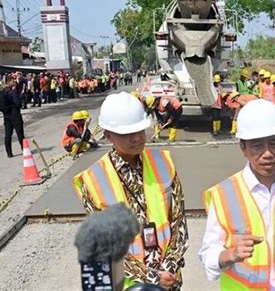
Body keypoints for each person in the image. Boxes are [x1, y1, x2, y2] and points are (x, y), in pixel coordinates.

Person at [199, 99, 275, 290]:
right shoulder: (225, 194)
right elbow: (208, 254)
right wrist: (230, 254)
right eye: (257, 146)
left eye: (274, 143)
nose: (268, 153)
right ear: (243, 148)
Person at [72, 92, 188, 290]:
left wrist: (169, 267)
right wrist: (150, 277)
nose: (136, 138)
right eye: (126, 134)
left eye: (140, 130)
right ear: (108, 135)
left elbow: (179, 222)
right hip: (130, 283)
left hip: (169, 278)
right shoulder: (93, 180)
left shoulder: (163, 164)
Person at [0, 77, 25, 158]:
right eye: (13, 81)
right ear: (9, 82)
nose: (15, 82)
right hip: (14, 114)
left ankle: (9, 152)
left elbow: (0, 106)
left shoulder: (1, 92)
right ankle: (24, 149)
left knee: (8, 134)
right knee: (20, 133)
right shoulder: (11, 92)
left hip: (6, 115)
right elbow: (18, 103)